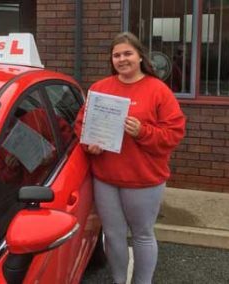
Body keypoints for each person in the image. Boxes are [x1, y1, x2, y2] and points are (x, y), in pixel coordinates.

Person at [75, 32, 185, 284]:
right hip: (106, 178)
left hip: (144, 179)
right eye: (117, 55)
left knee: (142, 235)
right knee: (113, 235)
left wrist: (142, 131)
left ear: (140, 56)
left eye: (128, 53)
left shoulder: (158, 90)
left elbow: (174, 133)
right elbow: (81, 124)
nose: (122, 59)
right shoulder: (100, 88)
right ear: (111, 59)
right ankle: (118, 280)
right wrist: (89, 142)